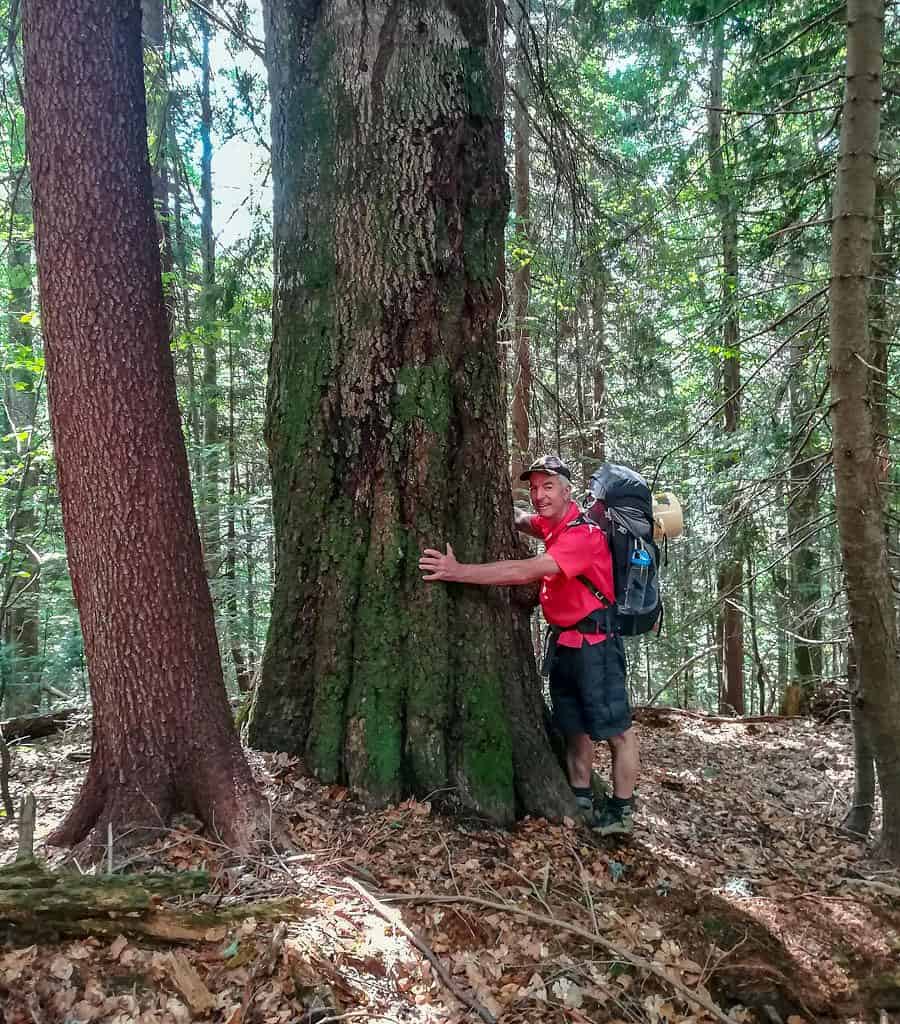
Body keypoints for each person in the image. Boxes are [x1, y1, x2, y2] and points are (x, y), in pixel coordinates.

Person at [419, 454, 639, 835]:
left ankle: (622, 814)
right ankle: (581, 798)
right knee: (574, 728)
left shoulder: (582, 535)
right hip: (566, 647)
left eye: (548, 486)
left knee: (618, 731)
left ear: (569, 492)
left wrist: (458, 572)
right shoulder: (552, 525)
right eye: (534, 487)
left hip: (597, 647)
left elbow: (524, 571)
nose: (539, 494)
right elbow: (522, 520)